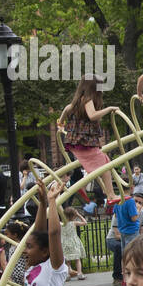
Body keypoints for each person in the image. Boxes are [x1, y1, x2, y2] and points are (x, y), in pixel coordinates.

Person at [57, 76, 122, 205]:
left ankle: (87, 187)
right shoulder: (88, 100)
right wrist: (109, 109)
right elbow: (92, 116)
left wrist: (61, 124)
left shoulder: (75, 103)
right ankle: (110, 194)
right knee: (104, 164)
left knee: (104, 162)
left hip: (77, 143)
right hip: (84, 143)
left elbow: (65, 110)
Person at [24, 179, 72, 286]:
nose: (25, 251)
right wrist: (42, 202)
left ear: (45, 252)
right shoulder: (31, 267)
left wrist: (52, 202)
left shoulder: (53, 268)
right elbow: (37, 233)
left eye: (29, 248)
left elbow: (53, 234)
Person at [61, 205, 89, 280]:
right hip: (73, 242)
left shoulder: (61, 224)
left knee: (67, 260)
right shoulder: (74, 223)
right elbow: (85, 223)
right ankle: (79, 273)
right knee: (77, 259)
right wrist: (79, 215)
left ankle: (67, 274)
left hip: (64, 243)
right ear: (74, 215)